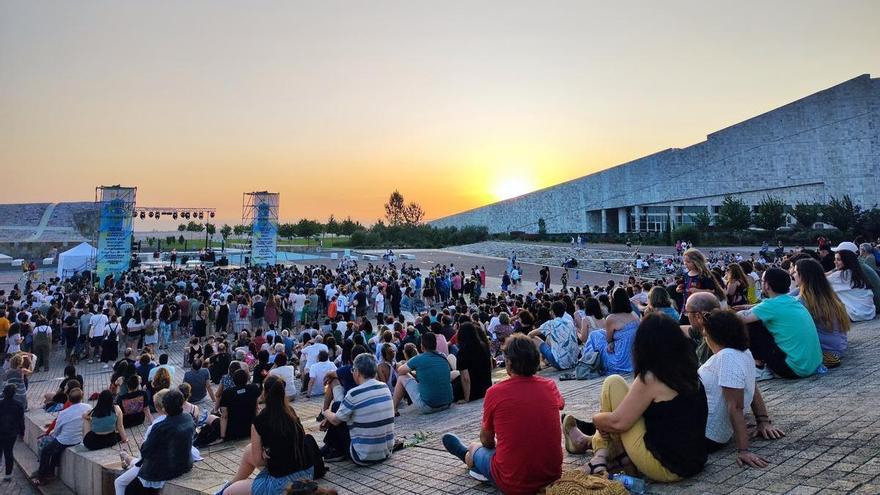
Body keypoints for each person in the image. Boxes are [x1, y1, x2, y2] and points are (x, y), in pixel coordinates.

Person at [563, 313, 708, 482]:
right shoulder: (688, 371)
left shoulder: (651, 377)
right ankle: (606, 454)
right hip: (694, 461)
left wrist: (597, 419)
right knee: (615, 384)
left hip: (666, 467)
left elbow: (618, 422)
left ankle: (599, 456)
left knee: (612, 386)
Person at [442, 334, 564, 493]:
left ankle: (467, 456)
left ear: (509, 362)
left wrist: (497, 448)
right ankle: (482, 468)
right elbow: (558, 405)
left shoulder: (495, 392)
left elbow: (486, 440)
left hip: (513, 481)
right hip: (552, 475)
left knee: (475, 447)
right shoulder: (549, 385)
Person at [698, 309, 785, 467]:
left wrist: (743, 450)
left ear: (714, 336)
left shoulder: (727, 357)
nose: (705, 340)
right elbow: (752, 388)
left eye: (705, 335)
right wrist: (762, 421)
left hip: (705, 436)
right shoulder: (744, 352)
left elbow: (735, 406)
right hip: (710, 433)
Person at [215, 376, 318, 495]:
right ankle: (233, 482)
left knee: (229, 492)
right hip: (307, 472)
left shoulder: (259, 421)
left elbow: (259, 461)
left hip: (283, 482)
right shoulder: (291, 413)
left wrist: (268, 453)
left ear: (265, 393)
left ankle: (227, 487)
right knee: (249, 450)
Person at [737, 268, 822, 379]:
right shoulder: (791, 300)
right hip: (811, 365)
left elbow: (741, 318)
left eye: (762, 281)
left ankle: (759, 367)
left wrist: (725, 312)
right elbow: (768, 308)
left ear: (767, 285)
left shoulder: (771, 305)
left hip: (793, 369)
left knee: (752, 325)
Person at [321, 354, 395, 465]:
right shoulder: (384, 387)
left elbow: (336, 421)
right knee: (340, 410)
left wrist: (325, 412)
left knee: (337, 407)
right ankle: (330, 448)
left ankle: (331, 449)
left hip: (362, 456)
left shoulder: (354, 393)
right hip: (386, 451)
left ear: (357, 372)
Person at [130, 389, 195, 492]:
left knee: (130, 489)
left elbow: (145, 452)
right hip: (185, 464)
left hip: (163, 471)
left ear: (165, 408)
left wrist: (143, 444)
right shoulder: (188, 418)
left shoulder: (160, 427)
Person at [793, 258, 851, 368]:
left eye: (795, 272)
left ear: (803, 276)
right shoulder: (829, 295)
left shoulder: (804, 300)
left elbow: (783, 302)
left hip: (826, 351)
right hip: (839, 346)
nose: (793, 274)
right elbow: (786, 297)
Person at [34, 388, 91, 485]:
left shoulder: (64, 413)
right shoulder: (88, 407)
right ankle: (51, 472)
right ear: (81, 397)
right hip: (80, 439)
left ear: (69, 399)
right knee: (54, 449)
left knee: (45, 451)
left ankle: (41, 478)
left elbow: (57, 431)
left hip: (66, 440)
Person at [581, 288, 639, 375]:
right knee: (598, 333)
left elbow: (608, 339)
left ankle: (587, 364)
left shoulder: (612, 318)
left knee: (593, 336)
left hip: (619, 362)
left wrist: (611, 343)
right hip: (633, 361)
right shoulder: (634, 315)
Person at [392, 333, 453, 414]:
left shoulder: (418, 359)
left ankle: (394, 410)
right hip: (447, 403)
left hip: (429, 407)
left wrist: (400, 364)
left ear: (422, 346)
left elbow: (400, 371)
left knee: (402, 377)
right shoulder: (443, 356)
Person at [827, 245, 876, 322]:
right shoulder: (857, 273)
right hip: (869, 312)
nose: (835, 262)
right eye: (835, 259)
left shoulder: (841, 275)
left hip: (854, 314)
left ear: (846, 261)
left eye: (838, 260)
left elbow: (820, 281)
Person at [527, 300, 579, 371]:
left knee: (533, 338)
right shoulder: (570, 322)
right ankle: (543, 360)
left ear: (552, 312)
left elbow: (530, 334)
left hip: (560, 363)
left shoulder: (550, 324)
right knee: (549, 337)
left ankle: (537, 363)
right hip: (573, 361)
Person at [218, 369, 260, 441]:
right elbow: (256, 408)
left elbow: (224, 416)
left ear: (234, 380)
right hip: (251, 428)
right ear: (246, 379)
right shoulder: (253, 388)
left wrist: (222, 437)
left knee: (211, 418)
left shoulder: (227, 393)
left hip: (233, 431)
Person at [455, 322, 493, 403]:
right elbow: (490, 366)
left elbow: (466, 378)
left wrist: (466, 399)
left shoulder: (462, 352)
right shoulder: (484, 346)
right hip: (486, 387)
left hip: (473, 392)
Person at [0, 384, 25, 482]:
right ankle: (8, 474)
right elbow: (21, 421)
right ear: (14, 393)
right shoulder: (18, 405)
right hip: (12, 432)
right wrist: (22, 433)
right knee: (8, 452)